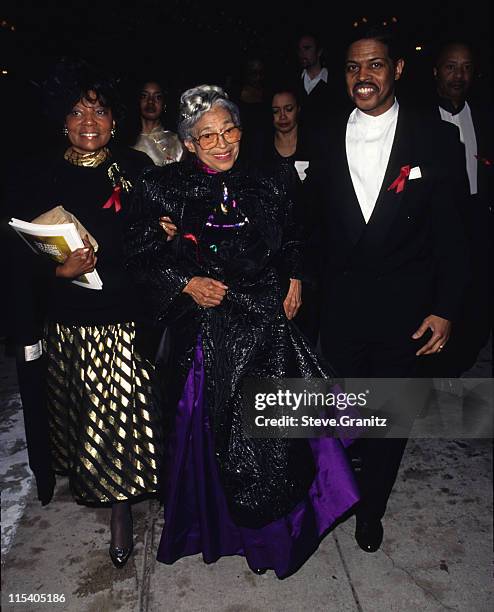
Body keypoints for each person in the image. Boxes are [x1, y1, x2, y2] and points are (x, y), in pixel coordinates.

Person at [125, 84, 359, 578]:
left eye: (228, 129)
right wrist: (183, 281)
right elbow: (137, 257)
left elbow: (299, 234)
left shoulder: (272, 176)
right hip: (204, 339)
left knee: (276, 449)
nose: (222, 143)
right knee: (211, 439)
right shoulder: (160, 188)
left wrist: (295, 276)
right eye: (207, 136)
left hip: (266, 328)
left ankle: (273, 543)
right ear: (188, 143)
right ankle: (217, 530)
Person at [304, 29, 469, 553]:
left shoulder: (437, 136)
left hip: (406, 308)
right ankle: (347, 487)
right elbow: (310, 224)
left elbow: (456, 235)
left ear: (397, 69)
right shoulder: (324, 133)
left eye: (374, 65)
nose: (363, 77)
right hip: (341, 304)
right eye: (353, 68)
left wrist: (445, 309)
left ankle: (371, 509)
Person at [4, 59, 162, 569]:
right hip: (65, 323)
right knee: (84, 424)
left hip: (122, 319)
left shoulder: (137, 171)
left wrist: (166, 231)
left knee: (116, 419)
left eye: (99, 111)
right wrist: (58, 272)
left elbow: (163, 248)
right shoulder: (39, 175)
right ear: (62, 121)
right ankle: (97, 487)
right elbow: (15, 262)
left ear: (116, 122)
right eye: (77, 111)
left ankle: (121, 511)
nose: (88, 121)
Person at [427, 40, 492, 376]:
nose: (458, 75)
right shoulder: (419, 117)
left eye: (466, 67)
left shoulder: (483, 115)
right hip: (433, 223)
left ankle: (461, 362)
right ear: (437, 70)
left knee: (475, 298)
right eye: (451, 66)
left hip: (478, 218)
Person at [131, 79, 184, 166]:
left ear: (164, 104)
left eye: (157, 97)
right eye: (144, 96)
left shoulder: (177, 143)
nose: (150, 101)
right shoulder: (124, 141)